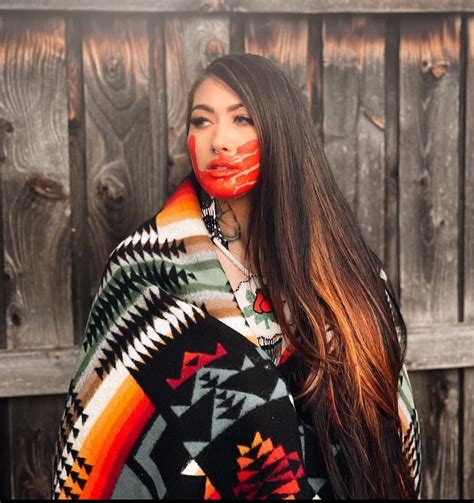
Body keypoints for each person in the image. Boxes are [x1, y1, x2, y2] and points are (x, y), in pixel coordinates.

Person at [51, 53, 421, 499]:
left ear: (280, 131)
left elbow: (390, 418)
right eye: (202, 121)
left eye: (242, 118)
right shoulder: (143, 269)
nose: (219, 140)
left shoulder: (348, 269)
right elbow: (104, 428)